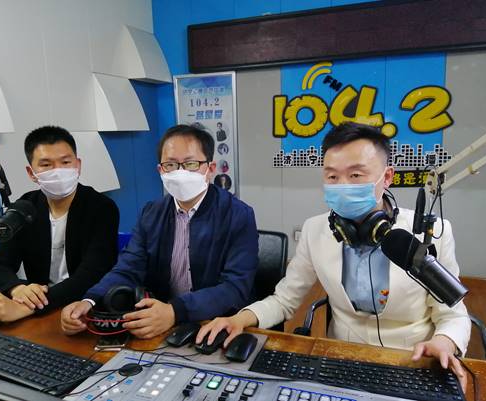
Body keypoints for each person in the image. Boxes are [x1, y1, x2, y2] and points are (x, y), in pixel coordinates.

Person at [198, 122, 471, 389]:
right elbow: (284, 300)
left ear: (387, 177)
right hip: (341, 359)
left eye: (356, 175)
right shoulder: (315, 230)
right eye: (332, 177)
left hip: (413, 362)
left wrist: (445, 342)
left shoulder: (430, 234)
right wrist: (239, 319)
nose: (342, 185)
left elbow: (453, 314)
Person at [61, 124, 259, 339]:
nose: (180, 172)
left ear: (210, 169)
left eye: (191, 164)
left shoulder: (238, 215)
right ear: (160, 170)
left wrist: (175, 311)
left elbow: (235, 287)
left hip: (217, 324)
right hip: (159, 323)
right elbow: (129, 268)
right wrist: (89, 300)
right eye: (171, 165)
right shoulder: (152, 213)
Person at [0, 126, 119, 322]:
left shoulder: (101, 208)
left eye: (65, 162)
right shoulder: (26, 207)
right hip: (41, 311)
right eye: (46, 164)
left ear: (78, 165)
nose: (57, 171)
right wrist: (17, 289)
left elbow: (92, 275)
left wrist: (28, 307)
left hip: (83, 308)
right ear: (31, 172)